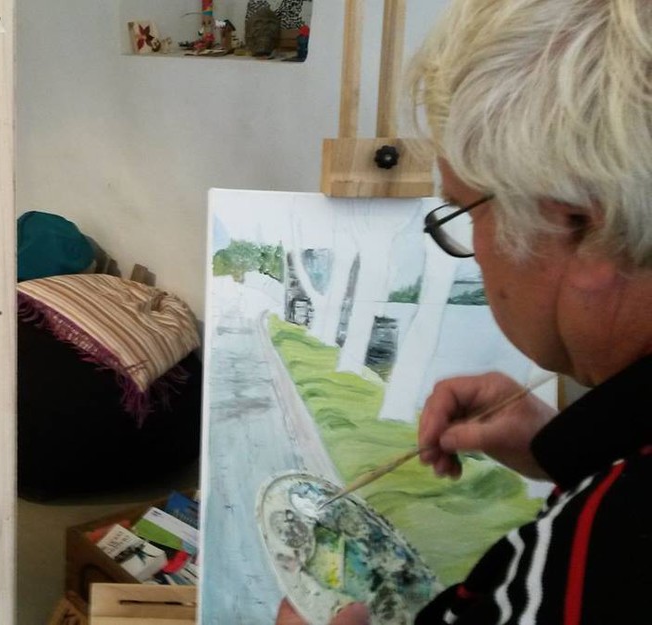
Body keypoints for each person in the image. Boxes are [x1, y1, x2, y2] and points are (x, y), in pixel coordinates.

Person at [277, 0, 652, 622]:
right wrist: (563, 448)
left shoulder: (600, 555)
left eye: (465, 210)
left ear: (585, 227)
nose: (472, 249)